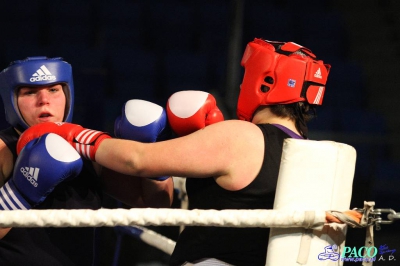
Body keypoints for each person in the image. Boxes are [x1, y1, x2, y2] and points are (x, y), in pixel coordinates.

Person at [17, 40, 362, 266]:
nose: (241, 84)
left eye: (246, 76)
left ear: (265, 82)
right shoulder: (309, 157)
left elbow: (136, 160)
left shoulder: (241, 137)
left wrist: (72, 134)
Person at [0, 56, 174, 266]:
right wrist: (19, 194)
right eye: (30, 92)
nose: (44, 99)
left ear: (67, 94)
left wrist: (149, 150)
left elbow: (156, 202)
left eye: (54, 90)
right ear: (12, 100)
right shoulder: (3, 149)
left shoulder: (87, 148)